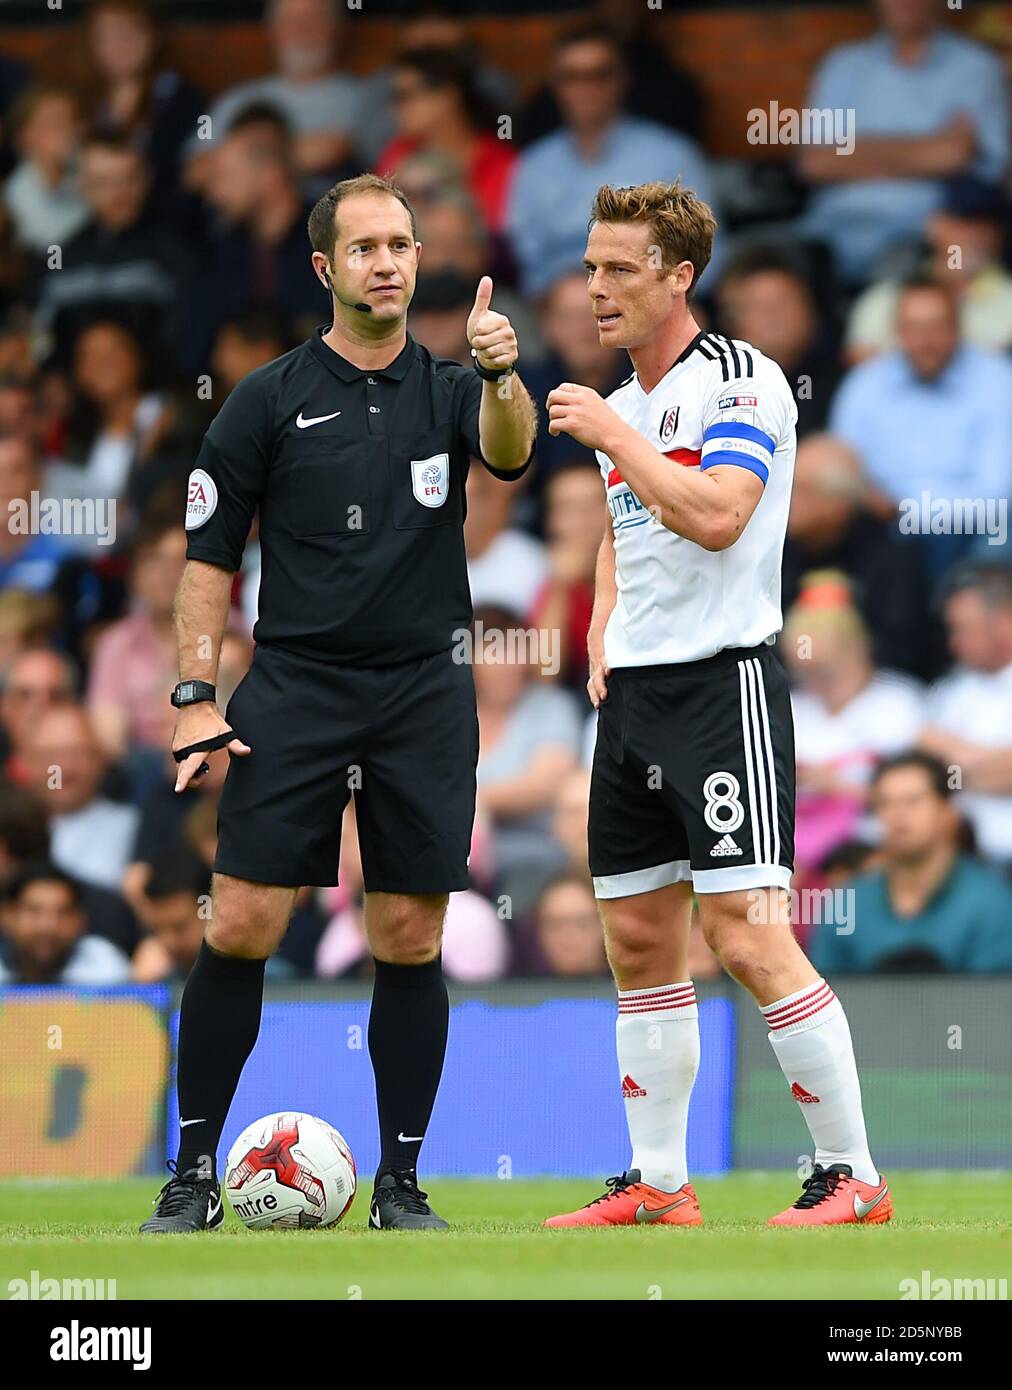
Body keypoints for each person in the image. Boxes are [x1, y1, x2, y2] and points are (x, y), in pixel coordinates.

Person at [140, 172, 535, 1235]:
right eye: (365, 247)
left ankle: (400, 1184)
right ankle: (189, 1174)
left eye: (401, 244)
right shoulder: (265, 400)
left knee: (409, 935)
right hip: (297, 687)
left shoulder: (455, 387)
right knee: (246, 923)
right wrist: (192, 695)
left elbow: (509, 450)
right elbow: (207, 560)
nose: (389, 262)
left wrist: (503, 375)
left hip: (421, 690)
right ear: (325, 269)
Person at [542, 179, 889, 1229]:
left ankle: (851, 1174)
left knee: (744, 931)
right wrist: (603, 622)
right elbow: (624, 527)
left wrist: (612, 434)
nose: (595, 287)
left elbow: (720, 515)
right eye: (591, 265)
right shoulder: (631, 405)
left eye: (619, 269)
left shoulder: (740, 382)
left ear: (678, 275)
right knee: (639, 939)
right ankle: (657, 1181)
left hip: (720, 685)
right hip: (636, 700)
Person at [798, 0, 1008, 284]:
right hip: (830, 231)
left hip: (922, 236)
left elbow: (967, 161)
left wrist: (853, 153)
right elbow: (815, 162)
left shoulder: (976, 67)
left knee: (896, 281)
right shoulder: (844, 64)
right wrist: (931, 150)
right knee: (761, 271)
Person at [506, 24, 716, 298]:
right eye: (573, 76)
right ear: (555, 85)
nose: (586, 88)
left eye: (600, 74)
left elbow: (706, 255)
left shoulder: (672, 155)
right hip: (559, 309)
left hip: (649, 300)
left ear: (623, 79)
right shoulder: (533, 166)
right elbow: (525, 263)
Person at [829, 277, 1012, 580]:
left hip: (969, 531)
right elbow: (841, 470)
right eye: (912, 328)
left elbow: (996, 495)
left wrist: (905, 509)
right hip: (879, 527)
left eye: (936, 327)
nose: (924, 341)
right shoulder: (865, 384)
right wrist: (871, 501)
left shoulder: (998, 380)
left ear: (958, 327)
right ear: (897, 332)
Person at [810, 753, 1012, 974]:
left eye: (913, 801)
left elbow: (993, 1001)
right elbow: (824, 986)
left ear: (949, 812)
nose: (898, 814)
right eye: (885, 803)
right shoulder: (846, 903)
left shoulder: (992, 902)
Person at [782, 571, 925, 875]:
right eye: (806, 673)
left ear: (859, 649)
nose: (816, 684)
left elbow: (923, 796)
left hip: (877, 853)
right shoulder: (793, 706)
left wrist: (836, 786)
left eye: (827, 672)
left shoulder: (899, 703)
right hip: (796, 854)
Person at [183, 0, 387, 193]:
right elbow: (196, 170)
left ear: (338, 28)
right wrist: (295, 154)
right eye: (290, 20)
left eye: (314, 19)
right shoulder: (236, 99)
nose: (301, 30)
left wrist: (243, 158)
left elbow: (348, 155)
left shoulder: (364, 98)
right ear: (273, 29)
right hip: (236, 226)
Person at [781, 434, 935, 679]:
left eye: (803, 490)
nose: (788, 499)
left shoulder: (892, 558)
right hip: (793, 691)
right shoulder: (779, 554)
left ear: (839, 504)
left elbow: (903, 647)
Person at [844, 177, 1012, 363]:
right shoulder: (886, 297)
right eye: (963, 221)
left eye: (988, 224)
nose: (976, 234)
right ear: (935, 225)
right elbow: (862, 364)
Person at [919, 564, 1012, 866]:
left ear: (1004, 624)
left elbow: (943, 770)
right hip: (957, 859)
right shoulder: (950, 690)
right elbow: (925, 765)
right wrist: (995, 765)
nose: (953, 643)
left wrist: (954, 763)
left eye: (963, 629)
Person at [376, 47, 516, 237]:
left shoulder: (500, 163)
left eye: (405, 95)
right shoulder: (397, 153)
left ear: (447, 96)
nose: (395, 108)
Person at [715, 246, 841, 440]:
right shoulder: (715, 386)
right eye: (758, 307)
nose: (773, 317)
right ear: (731, 321)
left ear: (811, 309)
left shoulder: (848, 384)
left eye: (783, 302)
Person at [23, 702, 139, 893]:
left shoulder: (133, 828)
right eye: (51, 755)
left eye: (78, 754)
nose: (64, 769)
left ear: (101, 759)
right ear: (27, 762)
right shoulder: (8, 829)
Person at [0, 862, 131, 985]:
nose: (48, 926)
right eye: (34, 911)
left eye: (62, 913)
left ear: (81, 919)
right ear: (6, 916)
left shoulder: (104, 964)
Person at [2, 85, 88, 257]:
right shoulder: (11, 195)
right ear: (24, 135)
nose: (67, 131)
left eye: (71, 121)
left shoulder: (90, 179)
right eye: (53, 123)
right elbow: (51, 249)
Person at [139, 851, 211, 981]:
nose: (168, 941)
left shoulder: (254, 983)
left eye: (179, 927)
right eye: (156, 928)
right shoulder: (158, 981)